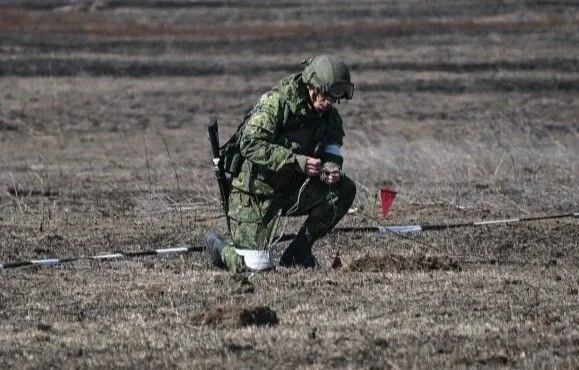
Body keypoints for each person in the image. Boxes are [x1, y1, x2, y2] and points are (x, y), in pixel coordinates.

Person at [206, 54, 356, 272]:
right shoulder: (276, 102)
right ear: (311, 85)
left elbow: (332, 150)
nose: (330, 102)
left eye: (335, 99)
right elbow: (250, 144)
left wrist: (332, 168)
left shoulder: (329, 117)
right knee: (254, 267)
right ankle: (219, 248)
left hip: (291, 191)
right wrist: (296, 161)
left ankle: (299, 252)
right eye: (327, 95)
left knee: (343, 189)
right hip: (254, 195)